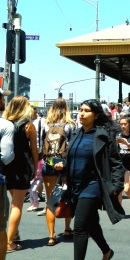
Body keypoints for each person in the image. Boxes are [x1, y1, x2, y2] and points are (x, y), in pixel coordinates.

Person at [56, 99, 123, 260]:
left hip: (92, 186)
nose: (81, 113)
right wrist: (62, 165)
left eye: (86, 110)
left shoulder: (102, 135)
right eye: (80, 110)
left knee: (79, 227)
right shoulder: (75, 133)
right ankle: (107, 252)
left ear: (96, 115)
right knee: (91, 223)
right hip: (75, 185)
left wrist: (116, 185)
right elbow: (73, 158)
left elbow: (116, 162)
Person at [1, 96, 38, 253]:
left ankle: (14, 235)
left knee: (13, 201)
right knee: (17, 205)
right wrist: (36, 168)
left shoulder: (4, 123)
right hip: (22, 167)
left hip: (6, 166)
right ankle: (9, 243)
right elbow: (34, 150)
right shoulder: (28, 126)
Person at [39, 98, 74, 245]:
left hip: (49, 164)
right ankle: (67, 229)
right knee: (67, 196)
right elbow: (72, 147)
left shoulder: (46, 125)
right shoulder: (69, 125)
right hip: (65, 164)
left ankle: (51, 235)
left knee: (50, 200)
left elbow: (41, 145)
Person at [116, 115, 130, 215]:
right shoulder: (118, 135)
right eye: (121, 124)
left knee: (127, 189)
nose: (123, 126)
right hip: (120, 164)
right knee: (118, 189)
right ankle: (119, 210)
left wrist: (127, 144)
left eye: (125, 124)